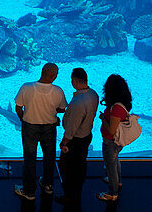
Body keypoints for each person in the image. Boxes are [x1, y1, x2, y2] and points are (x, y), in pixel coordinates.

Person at [13, 63, 67, 201]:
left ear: (42, 72)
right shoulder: (58, 91)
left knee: (29, 158)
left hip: (29, 126)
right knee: (49, 157)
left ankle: (29, 191)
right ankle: (48, 185)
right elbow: (62, 109)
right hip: (49, 127)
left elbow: (18, 107)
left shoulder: (26, 87)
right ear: (54, 76)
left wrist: (23, 119)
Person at [57, 67, 98, 204]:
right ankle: (77, 192)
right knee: (80, 165)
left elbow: (71, 129)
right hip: (87, 136)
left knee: (66, 167)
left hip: (75, 141)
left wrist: (64, 143)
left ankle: (69, 195)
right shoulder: (93, 94)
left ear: (74, 80)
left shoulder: (77, 103)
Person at [98, 73, 133, 202]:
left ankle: (112, 193)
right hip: (116, 142)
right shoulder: (122, 103)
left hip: (111, 141)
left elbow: (112, 130)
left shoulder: (117, 108)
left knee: (110, 166)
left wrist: (103, 119)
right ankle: (118, 182)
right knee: (115, 161)